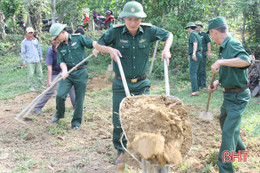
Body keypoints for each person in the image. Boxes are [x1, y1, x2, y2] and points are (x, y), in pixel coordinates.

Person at [96, 1, 173, 164]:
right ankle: (121, 150)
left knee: (144, 117)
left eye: (136, 19)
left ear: (141, 19)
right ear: (124, 19)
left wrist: (166, 49)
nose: (133, 23)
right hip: (120, 84)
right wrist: (109, 49)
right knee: (119, 120)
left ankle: (142, 149)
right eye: (129, 19)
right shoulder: (115, 33)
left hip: (142, 84)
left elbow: (168, 35)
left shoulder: (149, 31)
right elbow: (98, 44)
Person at [49, 23, 120, 130]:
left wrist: (101, 49)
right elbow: (61, 61)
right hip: (68, 73)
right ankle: (59, 114)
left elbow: (94, 44)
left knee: (79, 98)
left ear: (63, 32)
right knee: (60, 95)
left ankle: (76, 122)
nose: (56, 40)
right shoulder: (60, 47)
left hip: (81, 73)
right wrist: (64, 70)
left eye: (57, 37)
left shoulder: (79, 38)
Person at [207, 17, 251, 173]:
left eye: (211, 34)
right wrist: (218, 82)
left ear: (214, 31)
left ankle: (225, 169)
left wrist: (220, 62)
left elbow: (245, 61)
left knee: (228, 133)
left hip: (238, 98)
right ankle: (240, 153)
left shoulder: (232, 43)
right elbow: (232, 69)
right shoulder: (224, 47)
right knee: (226, 124)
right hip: (229, 96)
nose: (211, 38)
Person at [33, 40, 76, 114]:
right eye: (54, 42)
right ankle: (37, 107)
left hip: (64, 70)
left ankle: (76, 106)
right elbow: (49, 67)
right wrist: (50, 81)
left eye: (57, 42)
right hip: (55, 72)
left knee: (71, 87)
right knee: (50, 90)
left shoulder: (64, 48)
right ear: (52, 41)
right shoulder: (50, 51)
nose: (56, 43)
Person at [21, 27, 44, 91]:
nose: (30, 34)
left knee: (40, 73)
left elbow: (39, 49)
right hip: (30, 60)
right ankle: (31, 86)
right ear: (26, 33)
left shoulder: (35, 40)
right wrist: (23, 61)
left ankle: (40, 85)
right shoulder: (24, 42)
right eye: (29, 33)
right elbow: (23, 52)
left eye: (31, 33)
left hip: (37, 59)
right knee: (30, 74)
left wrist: (41, 57)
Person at [185, 22, 202, 96]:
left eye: (187, 28)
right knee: (196, 72)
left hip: (196, 54)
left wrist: (193, 54)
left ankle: (195, 90)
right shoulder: (197, 34)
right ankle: (196, 88)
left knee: (192, 73)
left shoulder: (192, 34)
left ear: (189, 28)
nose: (187, 30)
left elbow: (195, 44)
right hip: (199, 54)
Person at [195, 21, 211, 91]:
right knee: (196, 69)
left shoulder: (204, 34)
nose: (197, 27)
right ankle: (197, 85)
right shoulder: (193, 34)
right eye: (196, 25)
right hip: (195, 54)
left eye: (199, 25)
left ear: (201, 27)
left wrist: (209, 52)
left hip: (203, 53)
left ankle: (203, 85)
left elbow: (209, 42)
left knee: (202, 69)